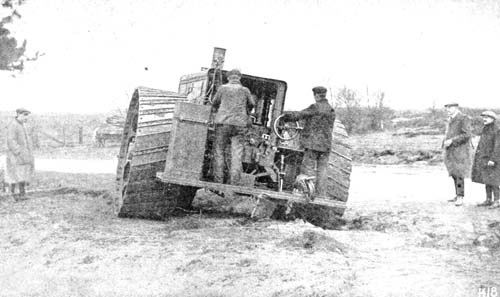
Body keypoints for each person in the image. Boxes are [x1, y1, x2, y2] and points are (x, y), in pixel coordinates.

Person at [283, 86, 336, 198]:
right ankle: (320, 195)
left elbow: (299, 115)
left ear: (316, 95)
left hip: (313, 145)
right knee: (322, 170)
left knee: (307, 169)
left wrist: (285, 115)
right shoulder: (331, 110)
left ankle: (306, 193)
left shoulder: (315, 107)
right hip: (326, 146)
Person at [211, 69, 255, 184]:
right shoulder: (245, 90)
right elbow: (251, 104)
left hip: (223, 124)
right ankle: (233, 183)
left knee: (219, 151)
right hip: (240, 125)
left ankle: (218, 181)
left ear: (228, 78)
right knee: (237, 154)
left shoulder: (222, 88)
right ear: (239, 78)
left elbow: (214, 102)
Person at [442, 102, 473, 206]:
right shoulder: (450, 119)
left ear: (456, 107)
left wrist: (452, 141)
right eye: (446, 108)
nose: (448, 110)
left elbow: (467, 135)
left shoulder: (464, 118)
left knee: (459, 174)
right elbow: (448, 133)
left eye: (450, 108)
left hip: (461, 151)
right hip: (451, 151)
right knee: (454, 173)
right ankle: (457, 195)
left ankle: (460, 197)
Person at [471, 111, 500, 208]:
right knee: (486, 179)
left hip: (492, 160)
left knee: (494, 180)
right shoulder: (486, 128)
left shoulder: (497, 129)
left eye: (487, 117)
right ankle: (488, 199)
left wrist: (493, 159)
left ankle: (497, 200)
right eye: (483, 117)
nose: (484, 119)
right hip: (484, 159)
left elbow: (498, 146)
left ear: (493, 119)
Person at [5, 108, 35, 201]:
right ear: (18, 114)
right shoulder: (13, 125)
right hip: (15, 156)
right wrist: (18, 152)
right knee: (13, 175)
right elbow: (11, 141)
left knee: (22, 174)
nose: (26, 117)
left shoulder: (22, 125)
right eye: (24, 115)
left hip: (23, 156)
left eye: (27, 115)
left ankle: (22, 194)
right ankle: (11, 195)